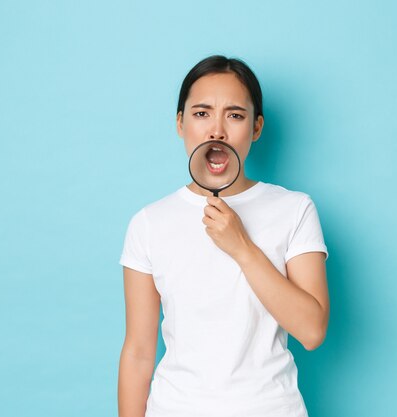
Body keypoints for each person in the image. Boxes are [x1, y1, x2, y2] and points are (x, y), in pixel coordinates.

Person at [117, 55, 330, 417]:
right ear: (180, 123)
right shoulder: (149, 222)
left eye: (235, 115)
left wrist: (242, 247)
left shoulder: (294, 209)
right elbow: (138, 352)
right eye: (201, 114)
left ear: (256, 127)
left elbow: (312, 330)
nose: (217, 130)